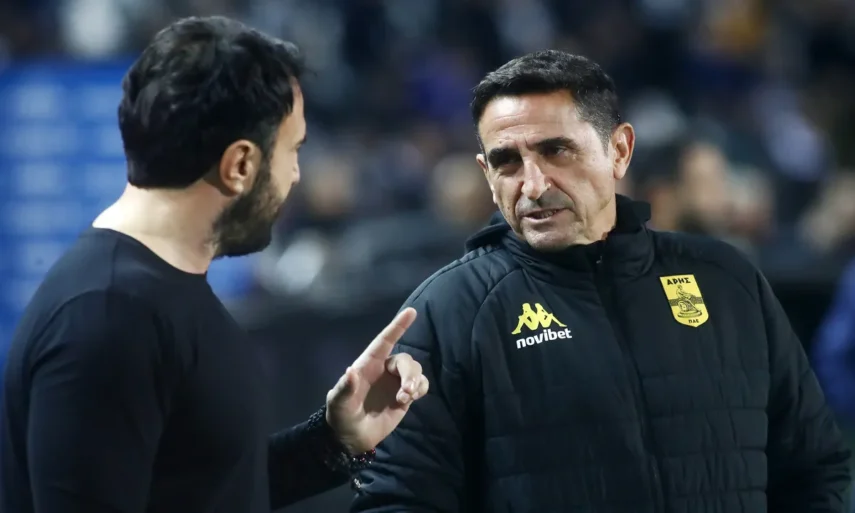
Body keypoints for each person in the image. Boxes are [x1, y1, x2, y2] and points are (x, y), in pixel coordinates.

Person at [351, 50, 853, 512]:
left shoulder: (727, 281)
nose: (533, 185)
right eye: (507, 162)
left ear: (620, 150)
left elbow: (813, 470)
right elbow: (397, 500)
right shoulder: (449, 312)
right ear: (486, 172)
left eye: (556, 151)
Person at [0, 16, 430, 513]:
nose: (296, 175)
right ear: (240, 165)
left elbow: (206, 487)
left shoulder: (151, 292)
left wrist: (334, 441)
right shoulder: (107, 316)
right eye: (293, 151)